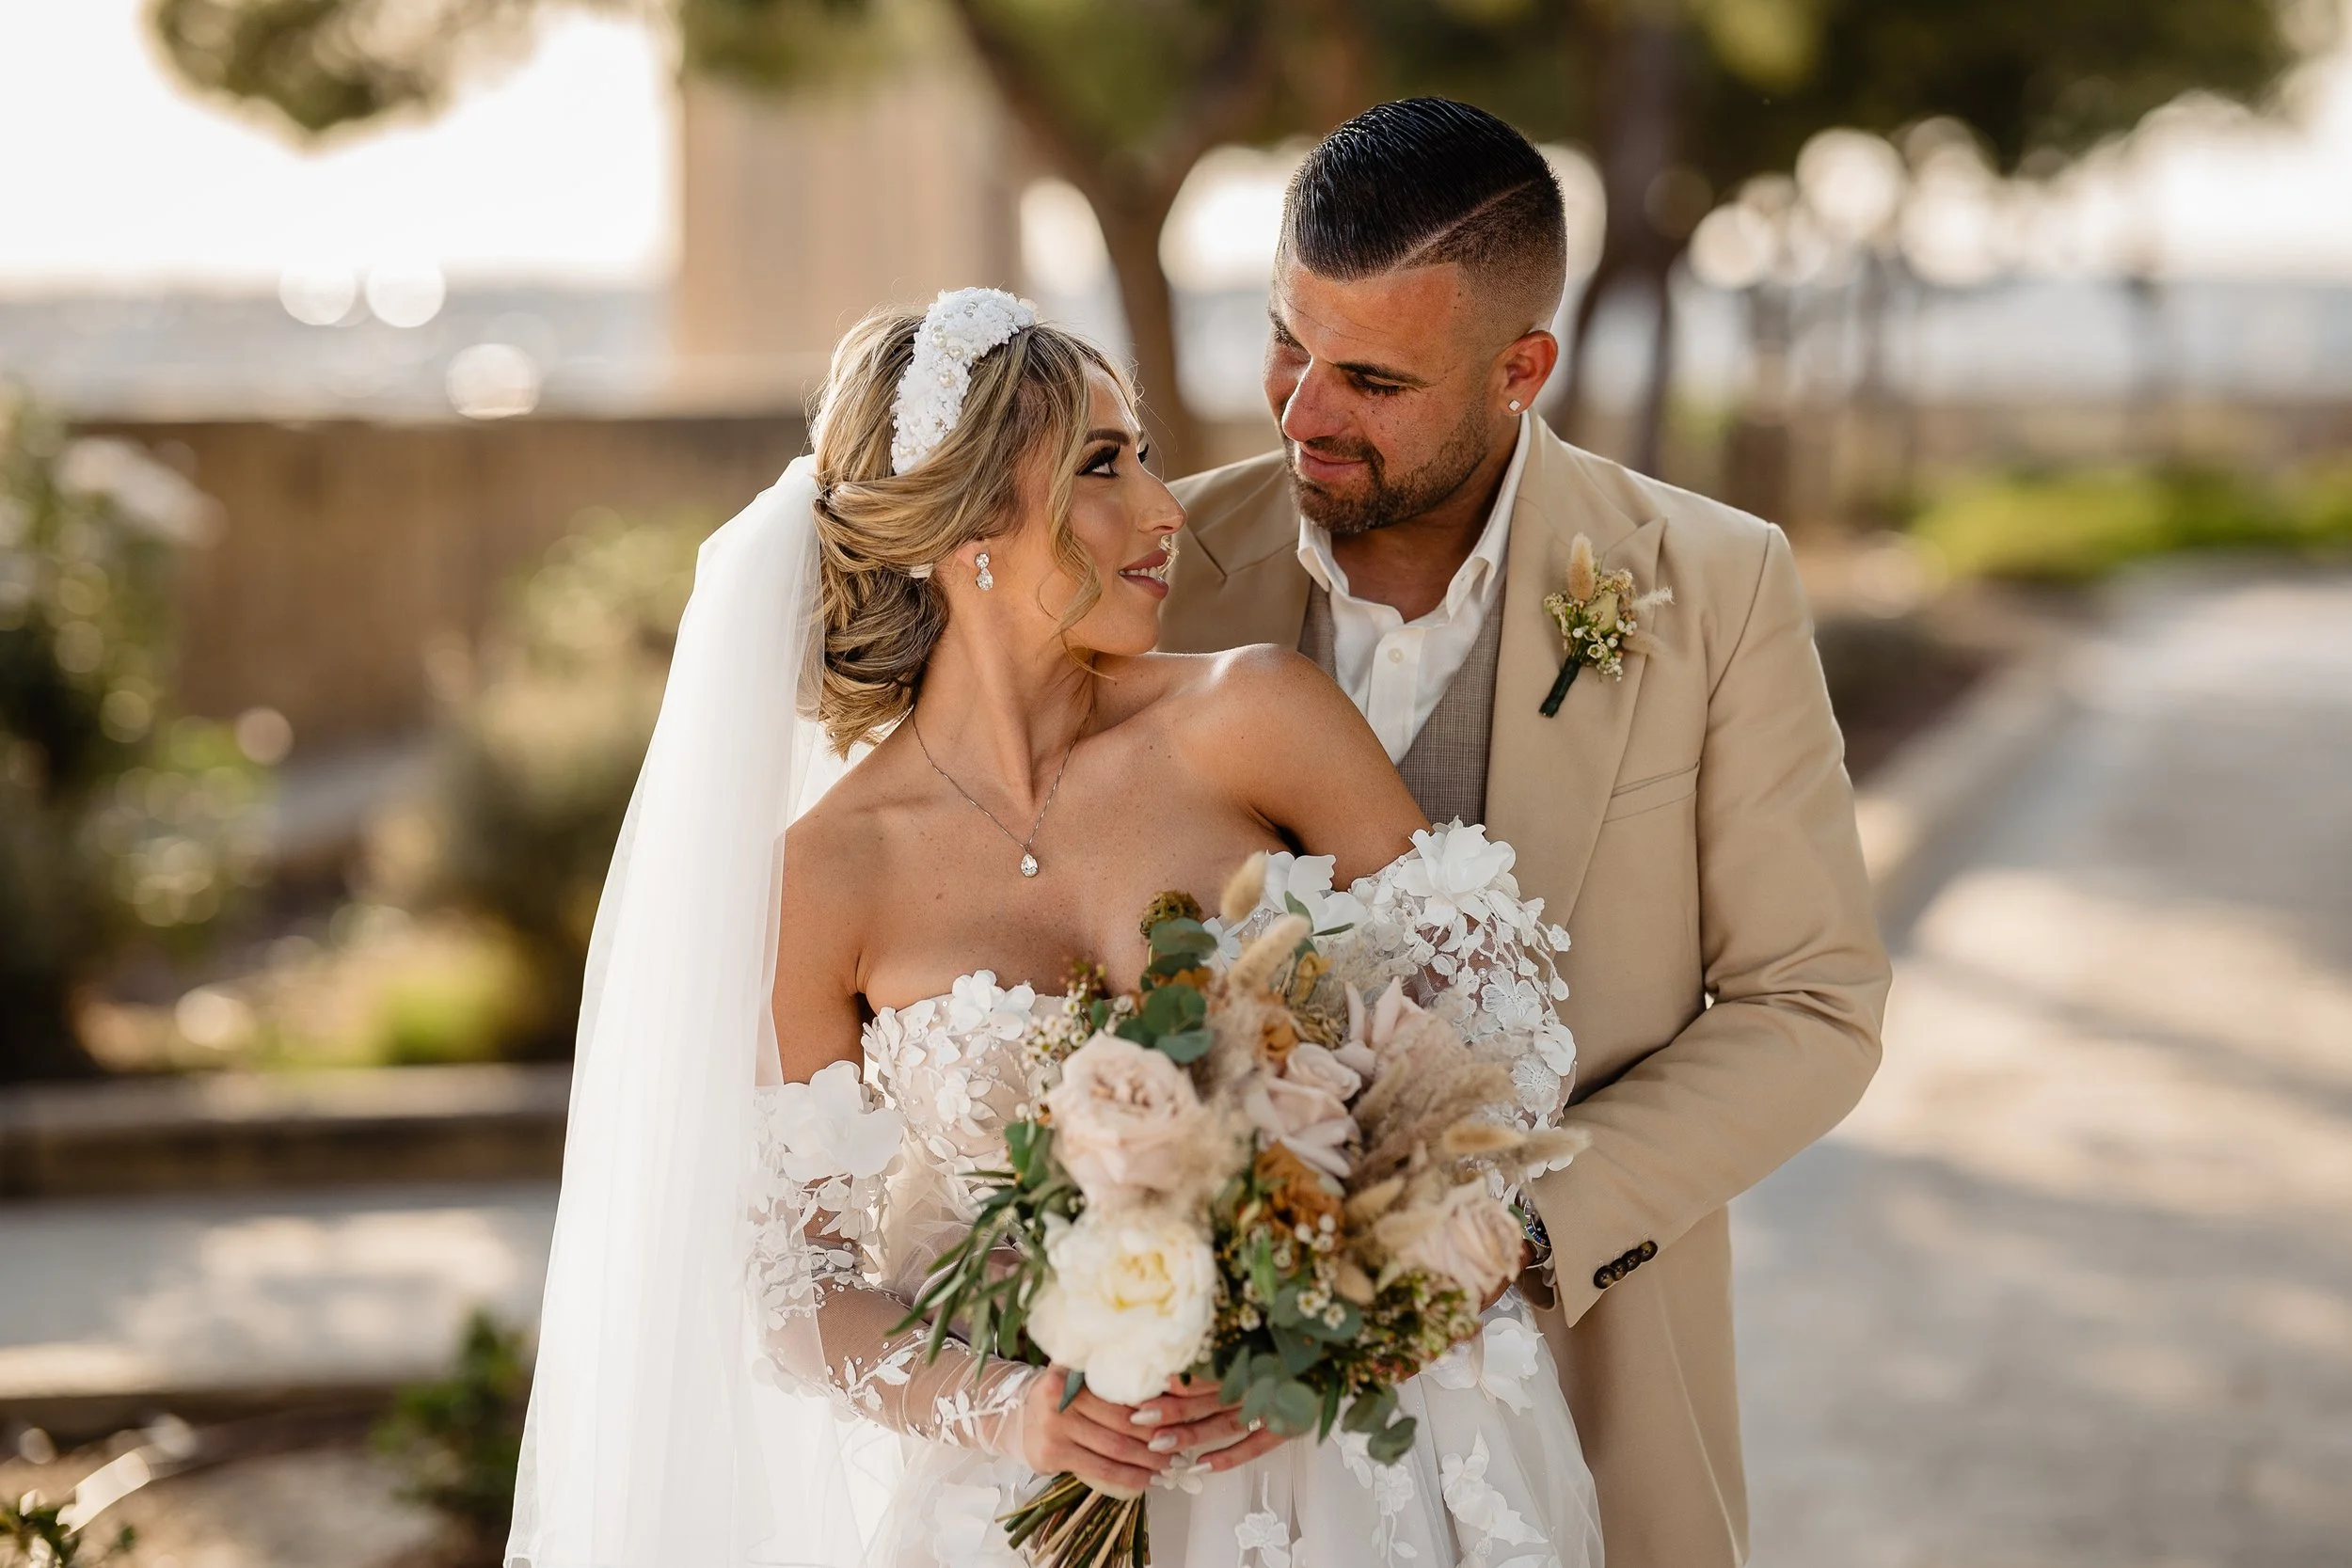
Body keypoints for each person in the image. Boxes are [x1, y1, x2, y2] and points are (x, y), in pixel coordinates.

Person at [507, 288, 1603, 1567]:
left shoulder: (1257, 716)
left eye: (1141, 455)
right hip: (1033, 1508)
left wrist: (1334, 1315)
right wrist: (1020, 1410)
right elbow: (801, 1290)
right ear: (969, 523)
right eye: (1102, 464)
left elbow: (1503, 1057)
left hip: (1366, 1467)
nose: (1163, 507)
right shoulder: (823, 882)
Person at [1160, 98, 1891, 1568]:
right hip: (1211, 1446)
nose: (1303, 412)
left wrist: (1519, 1222)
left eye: (1370, 378)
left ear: (1521, 369)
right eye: (1287, 344)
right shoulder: (1151, 572)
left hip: (1585, 1389)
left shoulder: (1716, 585)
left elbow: (1813, 1004)